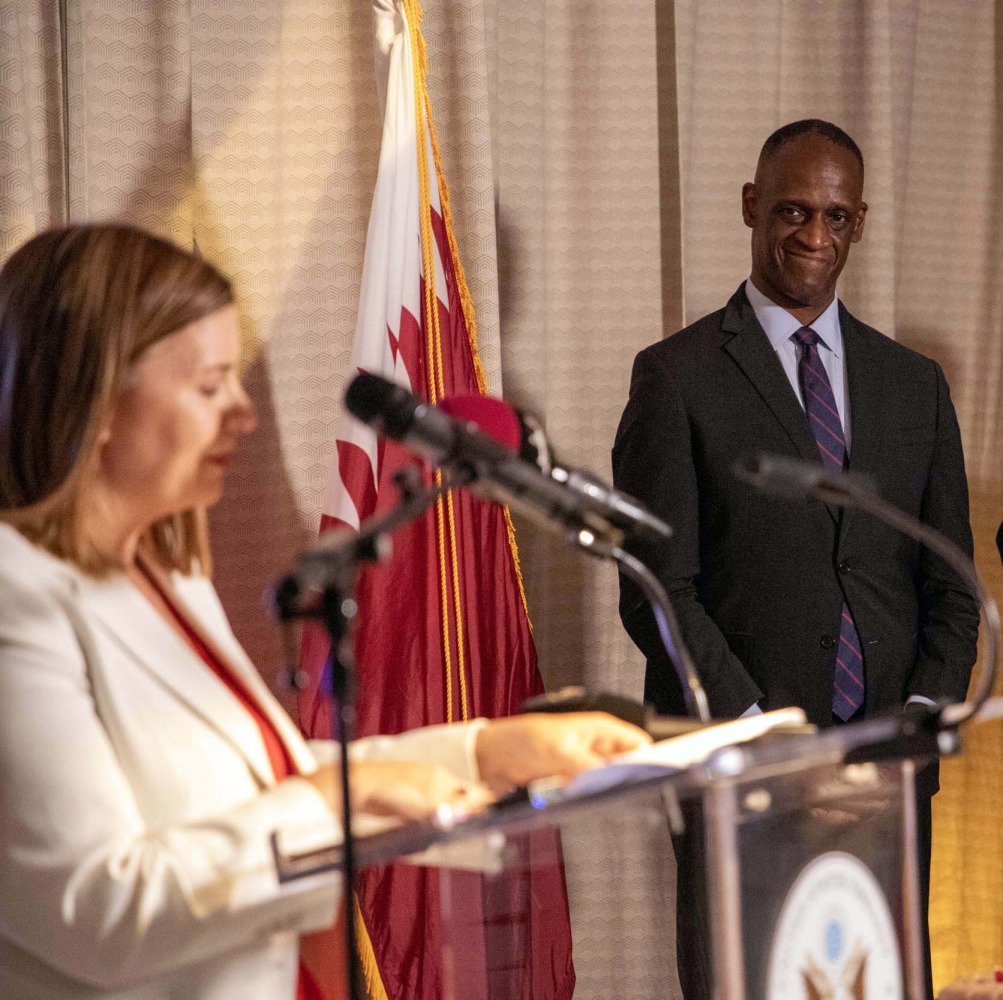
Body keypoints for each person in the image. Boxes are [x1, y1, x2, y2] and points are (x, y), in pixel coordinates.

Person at [0, 223, 650, 1000]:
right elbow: (98, 913)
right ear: (95, 397)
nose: (241, 413)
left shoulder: (163, 575)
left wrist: (487, 752)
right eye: (209, 387)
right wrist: (325, 802)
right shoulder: (16, 597)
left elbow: (262, 789)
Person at [613, 119, 979, 999]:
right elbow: (657, 590)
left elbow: (952, 588)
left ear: (859, 222)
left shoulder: (913, 386)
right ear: (749, 206)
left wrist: (914, 723)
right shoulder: (678, 377)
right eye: (791, 211)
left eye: (835, 216)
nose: (813, 237)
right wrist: (762, 733)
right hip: (743, 771)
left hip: (885, 779)